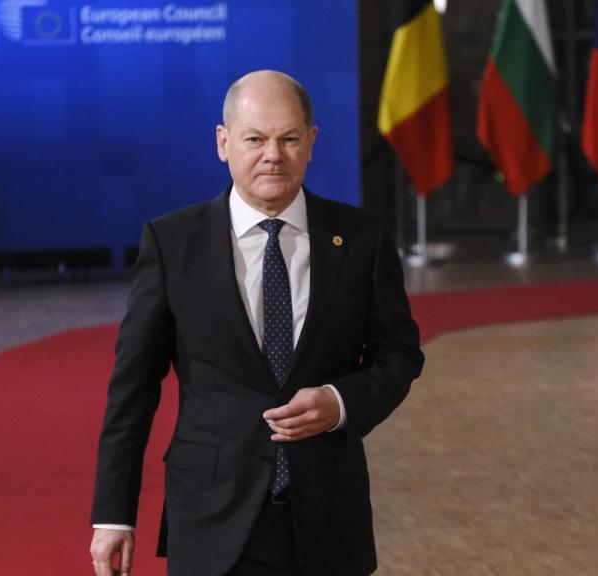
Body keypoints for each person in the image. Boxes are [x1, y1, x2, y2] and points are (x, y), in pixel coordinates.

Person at [89, 69, 423, 576]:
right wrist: (114, 514)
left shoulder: (361, 239)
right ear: (223, 143)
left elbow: (399, 354)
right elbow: (133, 387)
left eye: (289, 139)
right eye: (255, 139)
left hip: (328, 518)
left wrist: (339, 402)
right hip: (212, 518)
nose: (274, 155)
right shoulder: (173, 243)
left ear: (311, 142)